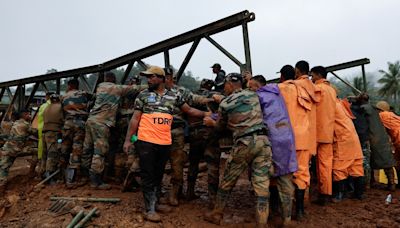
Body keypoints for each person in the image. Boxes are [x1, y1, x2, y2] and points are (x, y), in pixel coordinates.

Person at [123, 66, 207, 222]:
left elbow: (189, 110)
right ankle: (150, 209)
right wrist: (129, 139)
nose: (148, 80)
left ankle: (156, 202)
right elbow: (135, 119)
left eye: (152, 77)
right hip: (146, 141)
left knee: (158, 173)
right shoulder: (143, 95)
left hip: (164, 142)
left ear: (161, 79)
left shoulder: (174, 95)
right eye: (147, 77)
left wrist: (207, 114)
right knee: (148, 174)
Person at [203, 73, 273, 227]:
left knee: (228, 179)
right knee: (262, 185)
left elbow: (220, 128)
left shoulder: (226, 103)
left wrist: (210, 122)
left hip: (245, 143)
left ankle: (216, 214)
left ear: (229, 84)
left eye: (225, 86)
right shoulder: (254, 95)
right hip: (263, 141)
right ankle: (262, 223)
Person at [81, 72, 146, 190]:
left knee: (88, 149)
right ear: (114, 80)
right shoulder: (117, 89)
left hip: (92, 121)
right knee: (100, 152)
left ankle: (85, 175)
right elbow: (136, 89)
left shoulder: (101, 87)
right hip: (104, 124)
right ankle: (96, 181)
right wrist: (154, 85)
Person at [249, 75, 297, 225]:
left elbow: (243, 113)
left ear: (257, 86)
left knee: (261, 181)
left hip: (270, 140)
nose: (249, 90)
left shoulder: (258, 96)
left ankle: (262, 223)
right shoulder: (277, 94)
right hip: (287, 139)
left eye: (250, 87)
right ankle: (287, 220)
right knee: (286, 182)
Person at [278, 63, 320, 220]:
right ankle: (300, 211)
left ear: (282, 76)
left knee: (280, 171)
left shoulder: (279, 88)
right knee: (302, 173)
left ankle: (279, 210)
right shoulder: (306, 88)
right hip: (303, 138)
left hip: (283, 137)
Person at [310, 66, 337, 205]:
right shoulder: (332, 90)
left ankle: (302, 198)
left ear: (319, 75)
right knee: (326, 164)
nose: (311, 79)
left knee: (303, 164)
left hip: (315, 132)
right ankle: (326, 194)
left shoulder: (317, 89)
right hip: (328, 132)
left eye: (312, 76)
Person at [61, 79, 92, 189]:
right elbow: (95, 98)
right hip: (80, 123)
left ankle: (62, 177)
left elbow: (61, 112)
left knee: (64, 149)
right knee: (76, 150)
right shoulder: (84, 93)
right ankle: (71, 179)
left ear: (69, 86)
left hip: (67, 123)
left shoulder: (64, 96)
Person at [360, 95, 396, 191]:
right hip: (383, 139)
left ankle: (369, 183)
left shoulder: (378, 114)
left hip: (372, 138)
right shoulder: (386, 115)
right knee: (387, 162)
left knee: (369, 161)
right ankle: (391, 183)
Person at [332, 99, 364, 201]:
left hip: (344, 141)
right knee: (356, 168)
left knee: (339, 168)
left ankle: (339, 194)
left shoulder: (332, 105)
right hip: (354, 141)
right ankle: (358, 194)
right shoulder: (341, 104)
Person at [0, 110, 35, 196]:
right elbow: (36, 133)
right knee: (4, 168)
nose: (30, 115)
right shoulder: (26, 125)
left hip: (7, 148)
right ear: (24, 115)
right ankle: (1, 189)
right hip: (14, 149)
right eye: (28, 114)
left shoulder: (15, 123)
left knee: (4, 166)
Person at [350, 94, 372, 189]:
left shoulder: (351, 113)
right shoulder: (363, 111)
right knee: (366, 163)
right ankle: (366, 184)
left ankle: (356, 187)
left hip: (357, 140)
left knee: (355, 163)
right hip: (365, 138)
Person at [376, 100, 400, 184]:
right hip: (397, 140)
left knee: (398, 162)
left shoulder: (382, 115)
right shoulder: (392, 115)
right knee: (398, 161)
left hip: (398, 139)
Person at [42, 94, 64, 183]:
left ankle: (44, 173)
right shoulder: (60, 107)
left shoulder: (46, 107)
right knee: (53, 154)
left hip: (45, 132)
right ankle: (50, 176)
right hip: (54, 133)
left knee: (46, 154)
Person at [37, 92, 54, 176]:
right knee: (51, 152)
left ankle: (41, 172)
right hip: (51, 131)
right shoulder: (55, 106)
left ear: (46, 97)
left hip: (41, 131)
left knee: (43, 152)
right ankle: (49, 172)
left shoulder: (43, 106)